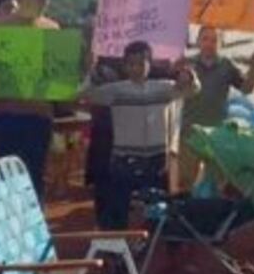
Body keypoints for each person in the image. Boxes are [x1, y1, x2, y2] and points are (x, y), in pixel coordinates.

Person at [81, 41, 199, 230]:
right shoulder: (116, 90)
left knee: (160, 209)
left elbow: (192, 90)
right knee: (118, 208)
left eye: (141, 63)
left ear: (149, 63)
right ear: (125, 66)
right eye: (131, 64)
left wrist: (188, 74)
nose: (136, 68)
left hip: (157, 160)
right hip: (125, 160)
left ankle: (158, 248)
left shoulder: (164, 88)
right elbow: (86, 94)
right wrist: (89, 71)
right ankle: (117, 250)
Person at [0, 0, 61, 197]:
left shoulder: (53, 29)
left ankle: (34, 230)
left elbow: (57, 77)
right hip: (6, 116)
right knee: (3, 180)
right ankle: (4, 230)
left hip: (40, 117)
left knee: (35, 178)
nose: (46, 1)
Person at [177, 26, 254, 191]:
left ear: (220, 43)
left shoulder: (226, 66)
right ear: (199, 42)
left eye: (214, 40)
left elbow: (247, 89)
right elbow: (174, 89)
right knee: (185, 182)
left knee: (217, 182)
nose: (209, 44)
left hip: (216, 134)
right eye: (205, 39)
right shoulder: (187, 64)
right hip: (190, 132)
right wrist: (176, 70)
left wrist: (253, 68)